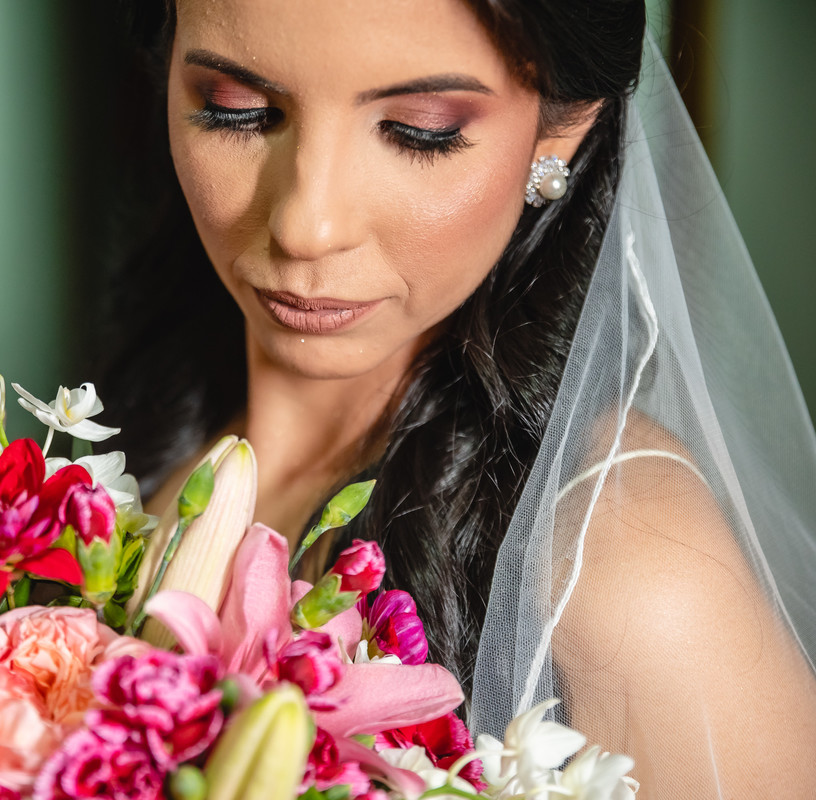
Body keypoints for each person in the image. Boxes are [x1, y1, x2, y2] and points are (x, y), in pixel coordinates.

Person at [88, 0, 816, 795]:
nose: (306, 224)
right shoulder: (119, 442)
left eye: (419, 129)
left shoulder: (630, 571)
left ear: (561, 127)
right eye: (239, 111)